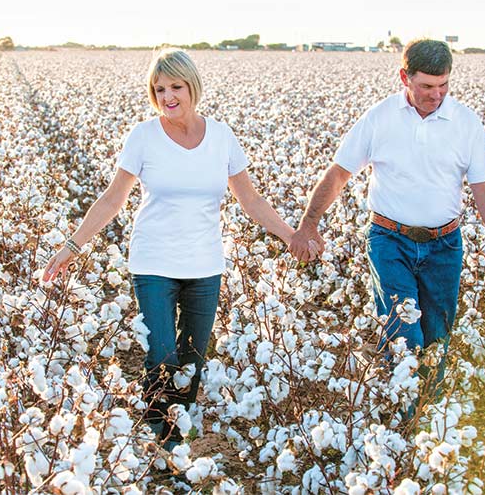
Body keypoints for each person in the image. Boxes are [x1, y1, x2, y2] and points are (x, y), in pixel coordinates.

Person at [42, 48, 314, 450]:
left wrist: (291, 235)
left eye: (175, 87)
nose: (167, 96)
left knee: (191, 360)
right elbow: (112, 199)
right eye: (159, 89)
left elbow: (250, 200)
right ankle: (160, 437)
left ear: (192, 87)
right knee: (163, 353)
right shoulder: (143, 137)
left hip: (204, 265)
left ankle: (176, 434)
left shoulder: (221, 136)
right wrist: (72, 245)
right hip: (153, 262)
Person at [290, 39, 485, 394]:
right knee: (404, 334)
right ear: (404, 77)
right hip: (388, 240)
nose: (436, 94)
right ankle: (404, 417)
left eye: (443, 85)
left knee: (437, 337)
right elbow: (338, 174)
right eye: (426, 86)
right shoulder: (379, 118)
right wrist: (308, 224)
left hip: (445, 244)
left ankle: (426, 417)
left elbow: (484, 190)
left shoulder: (466, 123)